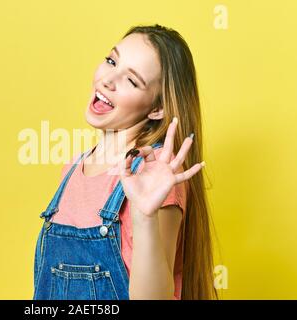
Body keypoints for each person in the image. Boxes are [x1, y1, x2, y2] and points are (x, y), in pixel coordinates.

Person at [33, 24, 218, 300]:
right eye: (111, 61)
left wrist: (144, 217)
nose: (108, 80)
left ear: (158, 108)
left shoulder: (153, 175)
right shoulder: (72, 169)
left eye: (132, 81)